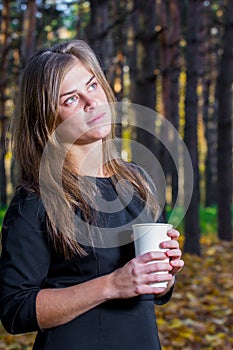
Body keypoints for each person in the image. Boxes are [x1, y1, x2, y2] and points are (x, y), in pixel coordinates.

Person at [0, 40, 184, 350]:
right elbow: (14, 309)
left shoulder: (137, 182)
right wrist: (112, 285)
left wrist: (163, 274)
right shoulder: (37, 198)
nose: (92, 102)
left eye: (93, 85)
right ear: (47, 119)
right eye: (71, 99)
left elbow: (156, 292)